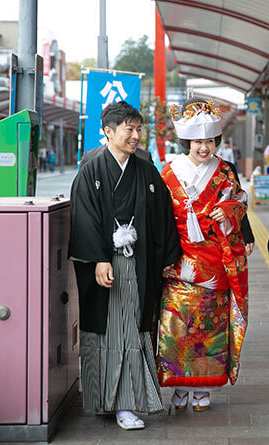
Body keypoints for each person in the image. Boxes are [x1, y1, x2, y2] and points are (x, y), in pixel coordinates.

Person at [68, 101, 181, 430]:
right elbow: (84, 216)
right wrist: (99, 259)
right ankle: (109, 401)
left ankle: (125, 403)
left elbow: (163, 216)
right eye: (129, 129)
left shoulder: (145, 170)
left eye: (138, 129)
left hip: (138, 264)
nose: (136, 135)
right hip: (106, 265)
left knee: (129, 328)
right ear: (108, 132)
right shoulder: (91, 169)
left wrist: (167, 258)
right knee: (110, 332)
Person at [158, 99, 249, 413]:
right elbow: (158, 215)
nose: (204, 148)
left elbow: (238, 199)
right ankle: (179, 386)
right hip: (179, 258)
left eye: (210, 141)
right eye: (198, 142)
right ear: (187, 142)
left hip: (213, 261)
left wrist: (227, 212)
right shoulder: (168, 173)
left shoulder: (224, 172)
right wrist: (164, 258)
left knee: (209, 329)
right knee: (176, 326)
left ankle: (203, 388)